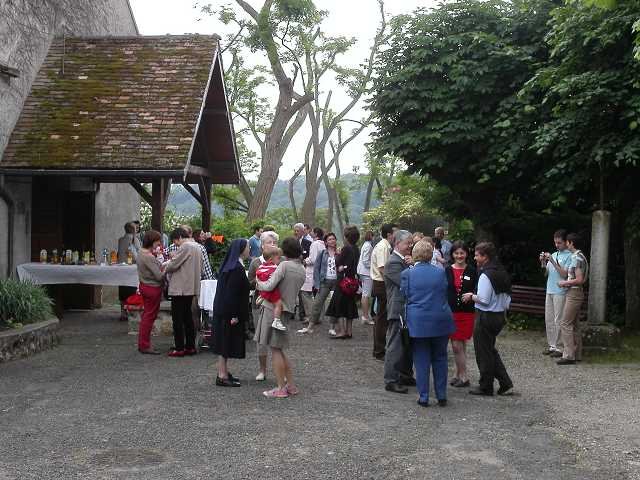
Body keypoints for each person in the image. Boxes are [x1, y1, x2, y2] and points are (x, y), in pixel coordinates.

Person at [401, 240, 455, 407]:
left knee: (421, 359)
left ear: (414, 254)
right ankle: (441, 395)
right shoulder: (441, 272)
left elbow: (404, 295)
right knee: (440, 357)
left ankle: (423, 396)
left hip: (418, 321)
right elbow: (444, 291)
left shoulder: (407, 274)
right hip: (441, 319)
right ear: (431, 254)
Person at [255, 237, 306, 398]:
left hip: (273, 310)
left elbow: (269, 285)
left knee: (275, 350)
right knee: (280, 349)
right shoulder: (302, 269)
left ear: (285, 251)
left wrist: (258, 283)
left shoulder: (284, 265)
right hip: (287, 310)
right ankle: (290, 385)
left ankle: (280, 388)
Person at [462, 242, 513, 396]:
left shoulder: (486, 275)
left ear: (485, 257)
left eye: (477, 255)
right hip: (499, 315)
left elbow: (484, 299)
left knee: (483, 353)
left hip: (486, 316)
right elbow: (508, 299)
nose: (475, 258)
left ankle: (486, 386)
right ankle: (505, 382)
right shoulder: (501, 271)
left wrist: (471, 296)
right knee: (489, 350)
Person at [212, 238, 251, 386]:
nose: (249, 249)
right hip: (229, 313)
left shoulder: (231, 265)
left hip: (224, 311)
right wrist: (234, 315)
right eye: (247, 247)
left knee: (225, 342)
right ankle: (222, 375)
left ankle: (224, 372)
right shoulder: (236, 268)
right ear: (241, 249)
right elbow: (232, 294)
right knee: (225, 343)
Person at [383, 229, 415, 394]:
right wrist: (413, 266)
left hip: (407, 309)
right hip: (398, 309)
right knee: (395, 345)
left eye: (411, 243)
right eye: (407, 243)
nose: (410, 246)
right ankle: (391, 380)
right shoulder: (393, 263)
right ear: (397, 243)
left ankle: (404, 374)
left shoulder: (403, 260)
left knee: (407, 345)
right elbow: (406, 283)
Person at [164, 227, 203, 357]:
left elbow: (173, 265)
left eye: (175, 241)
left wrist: (168, 263)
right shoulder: (197, 246)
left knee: (177, 319)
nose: (176, 244)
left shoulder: (185, 246)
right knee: (187, 317)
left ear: (180, 237)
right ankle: (190, 346)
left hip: (180, 288)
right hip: (191, 286)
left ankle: (179, 347)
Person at [248, 231, 280, 381]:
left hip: (277, 304)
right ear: (262, 246)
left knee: (277, 339)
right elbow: (249, 283)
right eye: (269, 242)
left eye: (274, 242)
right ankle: (262, 370)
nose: (272, 245)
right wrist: (259, 279)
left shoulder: (280, 261)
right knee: (261, 339)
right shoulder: (256, 262)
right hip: (259, 303)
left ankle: (279, 370)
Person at [445, 241, 478, 387]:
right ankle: (458, 373)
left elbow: (478, 289)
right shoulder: (447, 270)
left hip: (467, 312)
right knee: (456, 345)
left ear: (466, 254)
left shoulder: (472, 270)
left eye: (462, 253)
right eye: (456, 253)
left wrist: (472, 295)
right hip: (451, 312)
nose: (459, 256)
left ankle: (463, 376)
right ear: (452, 254)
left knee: (460, 344)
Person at [556, 233, 589, 366]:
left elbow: (579, 279)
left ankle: (569, 355)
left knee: (565, 323)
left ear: (571, 243)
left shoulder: (576, 258)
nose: (566, 244)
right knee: (574, 324)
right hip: (576, 292)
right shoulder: (581, 256)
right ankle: (576, 354)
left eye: (567, 242)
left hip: (574, 293)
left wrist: (564, 283)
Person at [540, 229, 572, 357]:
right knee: (549, 319)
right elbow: (545, 273)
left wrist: (552, 261)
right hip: (550, 290)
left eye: (559, 243)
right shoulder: (554, 254)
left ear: (566, 242)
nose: (557, 245)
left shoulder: (570, 256)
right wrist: (543, 262)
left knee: (558, 320)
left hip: (561, 291)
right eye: (555, 242)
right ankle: (552, 346)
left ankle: (559, 347)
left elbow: (564, 275)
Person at [325, 226, 361, 339]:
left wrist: (339, 256)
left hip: (343, 281)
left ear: (347, 237)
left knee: (339, 305)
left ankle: (342, 331)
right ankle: (349, 331)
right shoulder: (356, 248)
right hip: (352, 280)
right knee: (350, 305)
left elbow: (339, 262)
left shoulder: (346, 248)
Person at [370, 223, 397, 360]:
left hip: (382, 283)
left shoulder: (386, 246)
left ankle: (380, 348)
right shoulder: (383, 247)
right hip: (381, 284)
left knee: (382, 317)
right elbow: (382, 268)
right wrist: (392, 281)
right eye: (395, 233)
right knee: (381, 318)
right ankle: (379, 350)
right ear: (389, 234)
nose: (397, 236)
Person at [136, 230, 164, 354]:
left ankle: (143, 344)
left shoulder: (141, 252)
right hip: (152, 288)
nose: (159, 244)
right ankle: (145, 345)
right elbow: (159, 276)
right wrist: (167, 268)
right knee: (149, 316)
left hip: (145, 286)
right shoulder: (148, 256)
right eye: (157, 241)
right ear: (152, 241)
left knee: (146, 315)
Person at [305, 232, 339, 335]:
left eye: (333, 239)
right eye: (329, 239)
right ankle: (310, 327)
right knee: (317, 304)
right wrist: (317, 284)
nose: (332, 241)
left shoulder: (339, 253)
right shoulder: (322, 253)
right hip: (324, 281)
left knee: (334, 305)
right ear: (326, 242)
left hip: (336, 282)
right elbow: (316, 269)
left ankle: (332, 327)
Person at [298, 227, 325, 333]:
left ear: (316, 233)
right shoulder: (323, 244)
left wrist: (305, 261)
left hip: (312, 271)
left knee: (305, 293)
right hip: (320, 272)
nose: (311, 233)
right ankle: (319, 316)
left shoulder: (315, 244)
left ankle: (311, 316)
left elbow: (313, 259)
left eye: (312, 231)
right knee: (319, 294)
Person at [256, 246, 286, 331]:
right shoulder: (274, 268)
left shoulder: (261, 266)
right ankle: (276, 320)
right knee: (279, 304)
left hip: (263, 290)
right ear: (271, 259)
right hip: (271, 291)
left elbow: (258, 275)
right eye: (278, 258)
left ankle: (262, 297)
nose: (279, 260)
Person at [117, 221, 141, 321]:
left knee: (122, 290)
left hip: (121, 268)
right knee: (131, 291)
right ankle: (132, 313)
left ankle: (123, 313)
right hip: (132, 268)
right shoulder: (135, 240)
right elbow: (138, 255)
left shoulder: (120, 240)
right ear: (133, 230)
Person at [357, 231, 375, 325]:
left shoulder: (365, 244)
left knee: (365, 294)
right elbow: (365, 260)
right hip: (366, 272)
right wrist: (373, 267)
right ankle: (365, 317)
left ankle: (365, 316)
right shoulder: (368, 246)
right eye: (373, 236)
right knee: (366, 295)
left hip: (362, 271)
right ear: (371, 236)